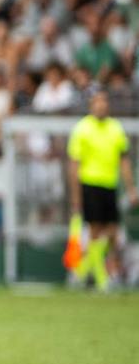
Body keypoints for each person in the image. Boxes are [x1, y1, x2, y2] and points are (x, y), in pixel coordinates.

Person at [67, 91, 133, 292]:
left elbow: (124, 161)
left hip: (110, 186)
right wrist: (76, 195)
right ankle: (99, 278)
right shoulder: (82, 128)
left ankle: (83, 271)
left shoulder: (116, 128)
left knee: (113, 233)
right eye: (98, 103)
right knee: (95, 231)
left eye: (104, 102)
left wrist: (130, 187)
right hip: (90, 184)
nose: (101, 106)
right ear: (91, 106)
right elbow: (74, 164)